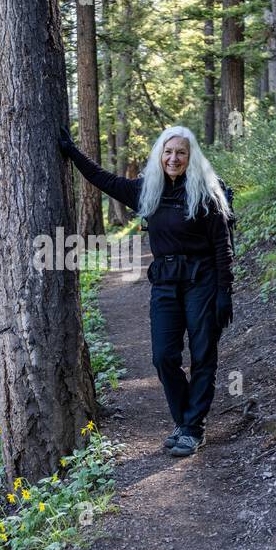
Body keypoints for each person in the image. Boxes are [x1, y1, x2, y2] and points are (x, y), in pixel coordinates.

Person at [59, 124, 233, 457]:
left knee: (202, 356)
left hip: (202, 281)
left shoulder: (206, 192)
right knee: (163, 357)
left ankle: (193, 428)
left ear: (190, 156)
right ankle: (185, 421)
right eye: (168, 152)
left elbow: (222, 246)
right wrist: (72, 152)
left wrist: (225, 292)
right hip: (166, 283)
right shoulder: (147, 189)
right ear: (159, 155)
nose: (174, 158)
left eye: (181, 152)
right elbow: (103, 180)